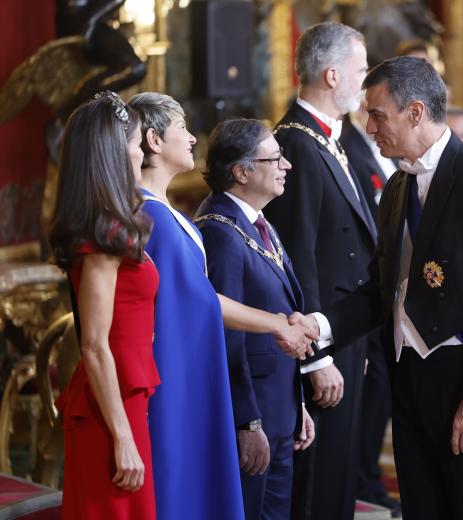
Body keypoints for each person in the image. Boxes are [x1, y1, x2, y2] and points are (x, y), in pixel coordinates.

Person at [295, 56, 463, 519]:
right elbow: (383, 288)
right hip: (409, 378)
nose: (369, 125)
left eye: (378, 114)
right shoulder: (400, 184)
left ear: (415, 112)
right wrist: (318, 327)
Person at [128, 92, 314, 520]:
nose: (194, 139)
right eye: (182, 128)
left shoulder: (177, 213)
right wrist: (276, 326)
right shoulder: (171, 219)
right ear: (154, 141)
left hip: (247, 392)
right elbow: (200, 304)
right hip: (189, 379)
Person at [262, 22, 376, 520]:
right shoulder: (297, 144)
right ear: (332, 75)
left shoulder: (328, 140)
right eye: (361, 69)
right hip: (320, 340)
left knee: (338, 476)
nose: (364, 81)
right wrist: (315, 358)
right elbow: (296, 259)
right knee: (318, 484)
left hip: (342, 331)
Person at [196, 118, 316, 520]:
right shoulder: (220, 231)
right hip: (254, 417)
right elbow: (226, 332)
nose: (287, 166)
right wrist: (247, 423)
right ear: (242, 171)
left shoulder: (258, 222)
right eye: (275, 158)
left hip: (279, 409)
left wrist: (298, 405)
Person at [49, 92, 156, 518]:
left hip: (125, 397)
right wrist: (122, 436)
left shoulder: (112, 227)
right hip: (109, 408)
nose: (140, 151)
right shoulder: (101, 238)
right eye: (135, 143)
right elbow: (93, 345)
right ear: (114, 153)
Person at [339, 103, 400, 515]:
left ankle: (367, 474)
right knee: (372, 386)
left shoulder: (392, 154)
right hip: (364, 284)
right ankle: (361, 474)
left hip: (389, 288)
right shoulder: (349, 147)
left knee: (382, 390)